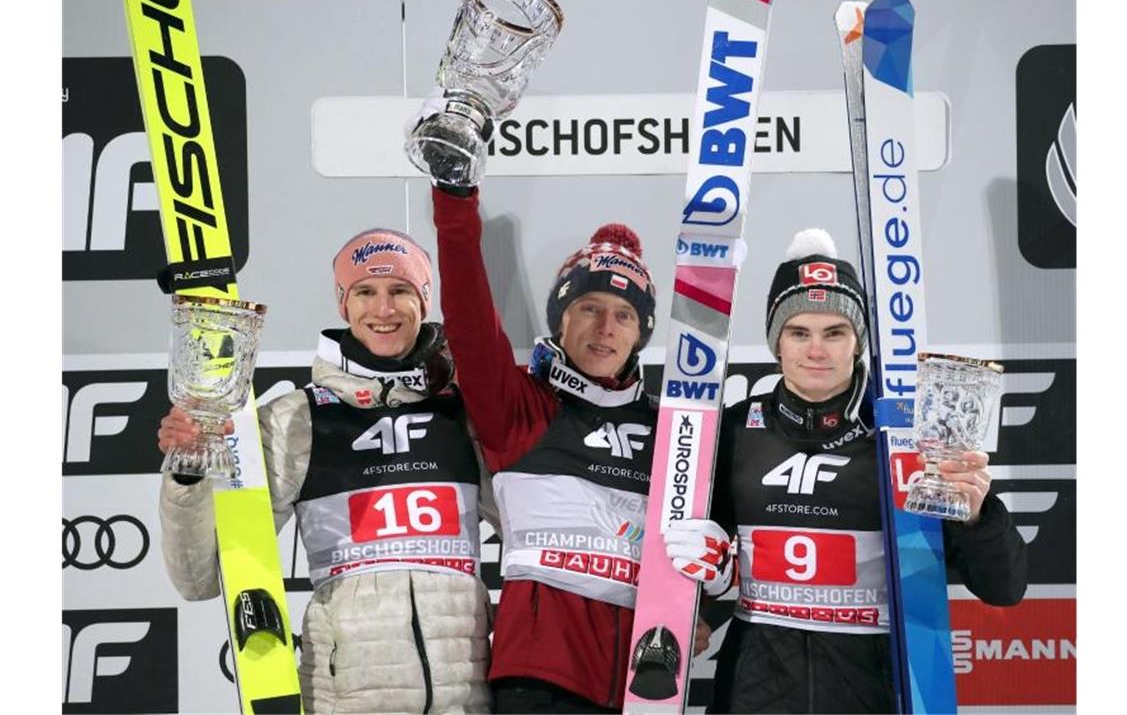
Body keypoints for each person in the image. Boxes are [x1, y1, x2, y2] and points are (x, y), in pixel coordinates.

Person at [663, 228, 1028, 713]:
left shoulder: (908, 440)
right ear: (776, 342)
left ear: (857, 342)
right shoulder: (733, 431)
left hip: (870, 690)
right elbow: (701, 555)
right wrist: (694, 610)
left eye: (835, 332)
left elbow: (1003, 587)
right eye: (799, 332)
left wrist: (979, 515)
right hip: (752, 693)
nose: (817, 350)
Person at [157, 228, 495, 714]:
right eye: (365, 292)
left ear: (424, 301)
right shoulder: (297, 419)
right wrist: (189, 470)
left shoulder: (465, 413)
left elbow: (535, 533)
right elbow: (201, 576)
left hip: (468, 698)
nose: (384, 310)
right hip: (344, 699)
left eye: (400, 291)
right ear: (344, 304)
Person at [431, 182, 683, 713]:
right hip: (539, 681)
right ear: (560, 318)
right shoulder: (521, 409)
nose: (605, 329)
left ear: (641, 334)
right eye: (589, 307)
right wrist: (454, 200)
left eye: (624, 315)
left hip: (647, 685)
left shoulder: (672, 428)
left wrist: (709, 607)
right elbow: (471, 323)